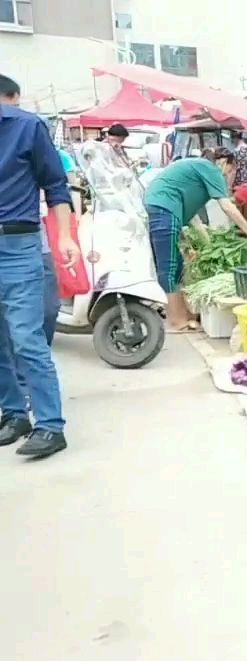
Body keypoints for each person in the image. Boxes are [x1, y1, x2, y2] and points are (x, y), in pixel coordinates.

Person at [0, 73, 80, 458]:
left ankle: (50, 425)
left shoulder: (27, 126)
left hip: (17, 243)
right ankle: (14, 414)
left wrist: (64, 237)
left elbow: (56, 185)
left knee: (26, 336)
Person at [144, 149, 247, 332]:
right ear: (224, 162)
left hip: (162, 206)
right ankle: (176, 321)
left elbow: (194, 218)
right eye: (230, 171)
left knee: (176, 265)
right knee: (169, 266)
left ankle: (183, 315)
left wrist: (207, 243)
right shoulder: (211, 169)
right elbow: (227, 206)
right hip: (164, 208)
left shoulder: (196, 168)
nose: (227, 176)